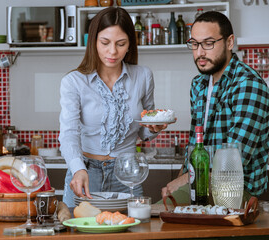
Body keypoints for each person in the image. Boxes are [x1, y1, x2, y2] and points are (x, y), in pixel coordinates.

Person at [59, 7, 168, 208]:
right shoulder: (74, 82)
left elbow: (144, 129)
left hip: (127, 173)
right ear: (93, 41)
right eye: (105, 43)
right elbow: (69, 133)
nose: (112, 51)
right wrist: (77, 169)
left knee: (131, 234)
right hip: (85, 172)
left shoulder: (143, 76)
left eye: (121, 44)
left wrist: (154, 128)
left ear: (130, 45)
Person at [161, 11, 269, 204]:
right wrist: (179, 180)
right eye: (194, 44)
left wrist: (184, 181)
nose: (200, 52)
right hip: (198, 185)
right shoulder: (199, 84)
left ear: (229, 42)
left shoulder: (248, 84)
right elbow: (195, 145)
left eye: (208, 43)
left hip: (236, 193)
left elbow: (234, 160)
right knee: (162, 213)